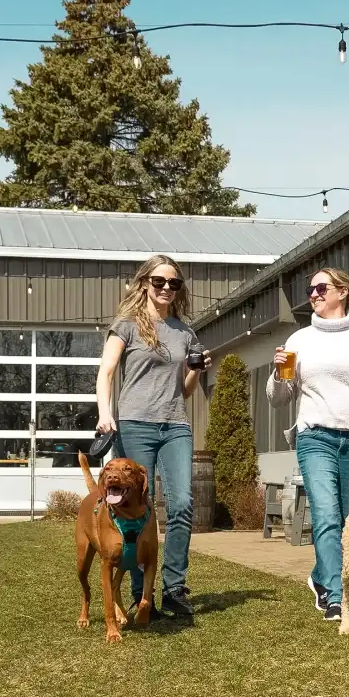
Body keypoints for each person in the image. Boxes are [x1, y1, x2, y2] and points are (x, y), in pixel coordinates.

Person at [267, 267, 349, 622]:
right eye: (310, 290)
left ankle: (321, 578)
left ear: (343, 291)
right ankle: (336, 596)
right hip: (315, 436)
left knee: (348, 519)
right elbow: (281, 397)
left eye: (321, 288)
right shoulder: (299, 341)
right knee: (324, 514)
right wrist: (279, 374)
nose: (313, 294)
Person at [95, 254, 210, 620]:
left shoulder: (185, 332)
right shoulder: (126, 326)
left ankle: (174, 587)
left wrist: (195, 370)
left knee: (181, 504)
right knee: (138, 507)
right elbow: (107, 371)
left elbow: (185, 390)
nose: (165, 289)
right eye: (159, 282)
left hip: (175, 424)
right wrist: (105, 413)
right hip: (134, 423)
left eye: (173, 284)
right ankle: (140, 595)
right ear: (145, 283)